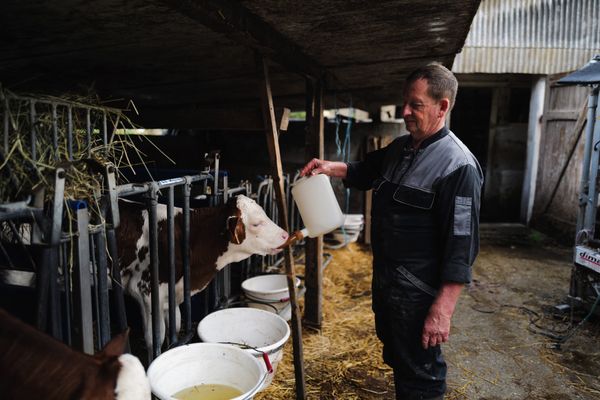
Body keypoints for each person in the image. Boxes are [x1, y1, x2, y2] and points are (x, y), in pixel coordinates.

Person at [300, 63, 483, 400]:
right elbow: (366, 170)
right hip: (388, 282)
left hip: (418, 292)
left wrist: (442, 311)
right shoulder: (402, 148)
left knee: (422, 376)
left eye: (416, 105)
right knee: (399, 358)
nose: (405, 112)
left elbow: (462, 245)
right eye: (405, 103)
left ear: (443, 106)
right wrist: (330, 167)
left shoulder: (458, 166)